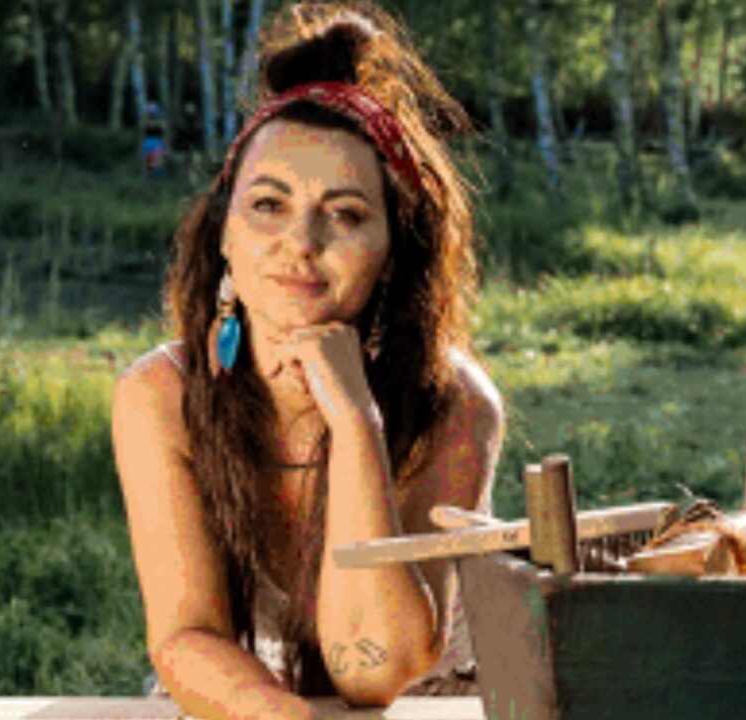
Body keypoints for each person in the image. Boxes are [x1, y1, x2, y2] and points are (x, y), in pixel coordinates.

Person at [111, 2, 505, 718]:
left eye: (346, 214)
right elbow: (186, 635)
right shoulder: (160, 395)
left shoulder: (453, 402)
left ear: (392, 254)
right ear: (224, 234)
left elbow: (372, 673)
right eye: (269, 204)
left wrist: (356, 423)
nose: (301, 242)